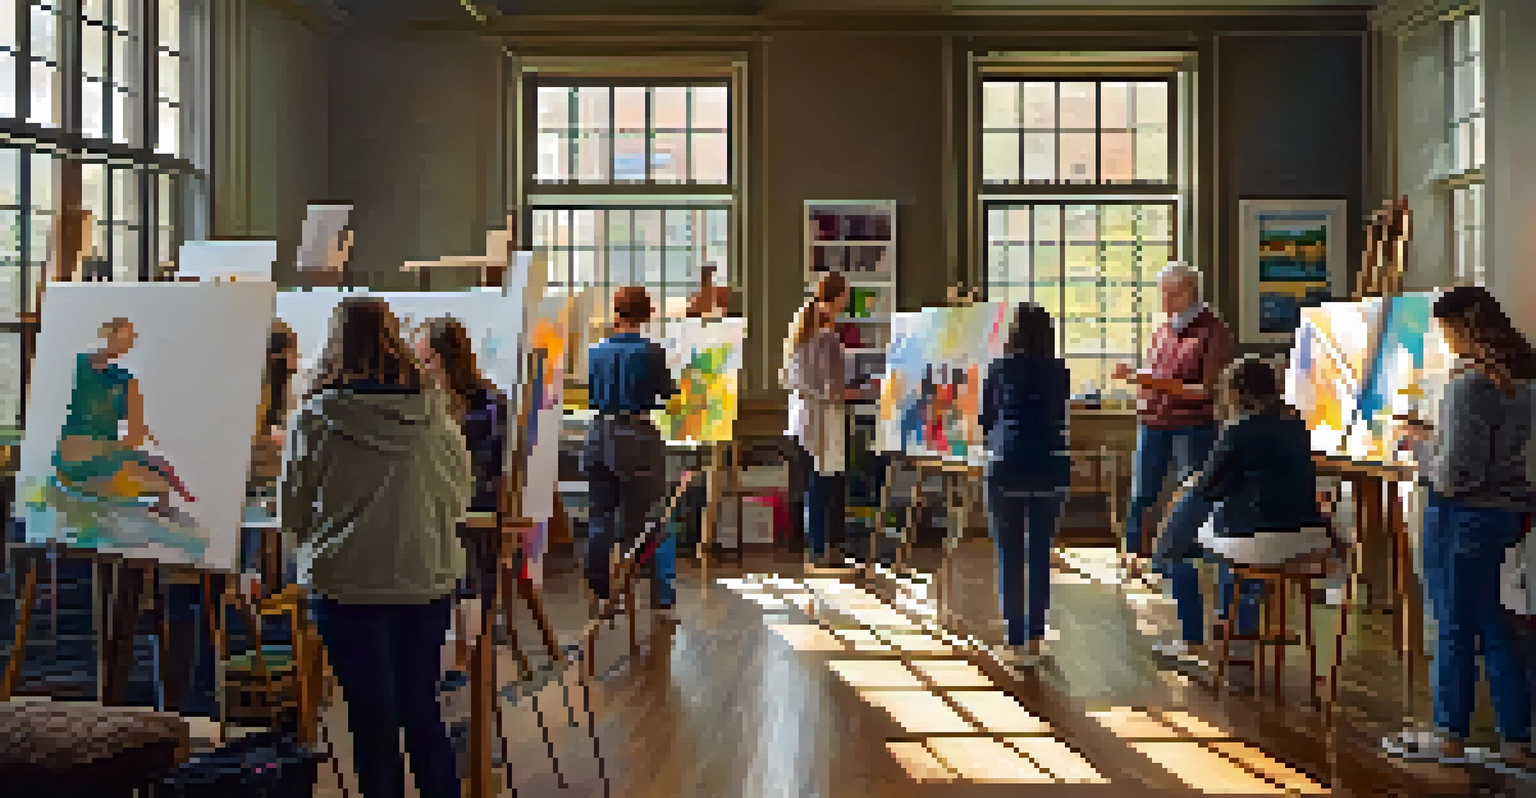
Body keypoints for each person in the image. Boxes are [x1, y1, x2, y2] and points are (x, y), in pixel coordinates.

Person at [284, 296, 471, 798]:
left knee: (370, 722)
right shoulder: (435, 416)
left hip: (346, 583)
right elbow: (459, 498)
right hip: (424, 577)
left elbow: (293, 511)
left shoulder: (317, 419)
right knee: (421, 710)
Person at [1384, 286, 1536, 768]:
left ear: (1460, 328)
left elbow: (1457, 475)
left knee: (1452, 625)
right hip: (1506, 514)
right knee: (1497, 626)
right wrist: (1440, 437)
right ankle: (1517, 741)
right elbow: (1490, 454)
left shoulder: (1470, 384)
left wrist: (1420, 449)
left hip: (1462, 516)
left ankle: (1450, 733)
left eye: (1446, 331)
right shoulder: (1523, 379)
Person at [1149, 356, 1331, 659]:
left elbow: (1208, 486)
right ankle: (1238, 633)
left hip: (1259, 540)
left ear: (1236, 393)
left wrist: (1192, 484)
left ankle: (1191, 638)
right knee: (1223, 528)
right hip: (1307, 538)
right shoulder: (1296, 427)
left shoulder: (1238, 429)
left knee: (1184, 540)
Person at [1112, 262, 1233, 576]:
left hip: (1193, 426)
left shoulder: (1213, 331)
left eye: (1171, 294)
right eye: (1161, 294)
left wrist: (1146, 381)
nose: (1163, 301)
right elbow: (1157, 373)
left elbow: (1206, 392)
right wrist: (1143, 384)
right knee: (1143, 494)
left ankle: (1185, 561)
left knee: (1191, 495)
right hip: (1153, 423)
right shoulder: (1163, 327)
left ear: (1190, 292)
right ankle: (1133, 557)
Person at [979, 302, 1071, 662]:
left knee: (1010, 554)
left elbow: (987, 419)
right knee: (1039, 553)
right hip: (1051, 464)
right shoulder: (1059, 371)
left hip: (1007, 463)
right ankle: (1035, 637)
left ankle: (1015, 641)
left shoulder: (999, 369)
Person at [583, 286, 679, 618]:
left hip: (597, 435)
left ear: (617, 312)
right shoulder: (650, 352)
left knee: (600, 518)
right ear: (647, 314)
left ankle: (601, 593)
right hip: (637, 436)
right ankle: (659, 595)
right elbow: (667, 394)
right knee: (651, 518)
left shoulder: (595, 351)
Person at [53, 317, 196, 513]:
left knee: (160, 471)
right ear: (109, 335)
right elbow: (133, 436)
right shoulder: (123, 381)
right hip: (88, 461)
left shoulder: (90, 369)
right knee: (162, 482)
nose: (130, 343)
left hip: (74, 458)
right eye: (127, 337)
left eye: (131, 339)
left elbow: (133, 433)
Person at [418, 316, 510, 600]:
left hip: (468, 507)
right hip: (449, 505)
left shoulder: (486, 408)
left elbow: (481, 470)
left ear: (444, 360)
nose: (420, 369)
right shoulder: (483, 402)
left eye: (425, 360)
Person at [783, 272, 857, 568]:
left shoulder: (800, 333)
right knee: (824, 485)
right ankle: (819, 549)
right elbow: (835, 389)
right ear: (838, 297)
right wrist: (865, 390)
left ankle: (814, 548)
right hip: (823, 420)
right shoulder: (826, 337)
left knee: (812, 484)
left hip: (801, 419)